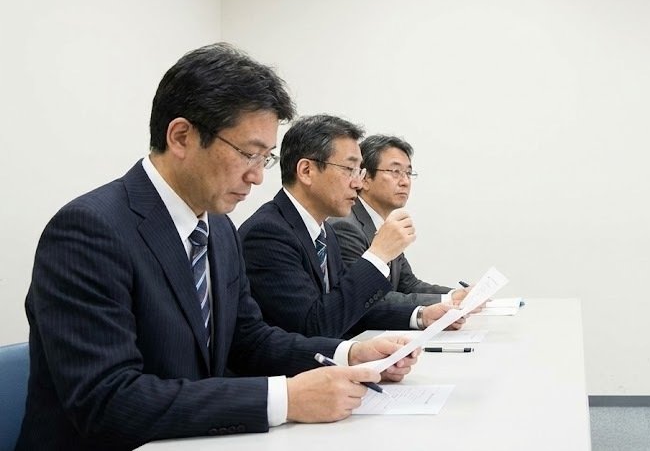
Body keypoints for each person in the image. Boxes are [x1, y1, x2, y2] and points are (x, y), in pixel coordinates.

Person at [18, 44, 417, 451]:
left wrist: (349, 353)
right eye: (248, 154)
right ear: (181, 137)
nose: (256, 176)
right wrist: (285, 399)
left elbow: (249, 340)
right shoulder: (90, 230)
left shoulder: (219, 227)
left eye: (265, 158)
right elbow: (108, 400)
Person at [240, 115, 457, 339]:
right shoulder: (268, 233)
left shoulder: (325, 233)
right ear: (306, 171)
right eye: (349, 169)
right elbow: (313, 326)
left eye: (359, 171)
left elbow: (349, 306)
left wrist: (421, 315)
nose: (357, 182)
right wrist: (378, 255)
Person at [328, 135, 471, 329]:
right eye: (395, 171)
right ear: (365, 178)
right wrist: (440, 306)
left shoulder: (385, 224)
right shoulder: (345, 226)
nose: (405, 182)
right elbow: (366, 297)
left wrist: (454, 295)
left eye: (408, 173)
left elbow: (408, 284)